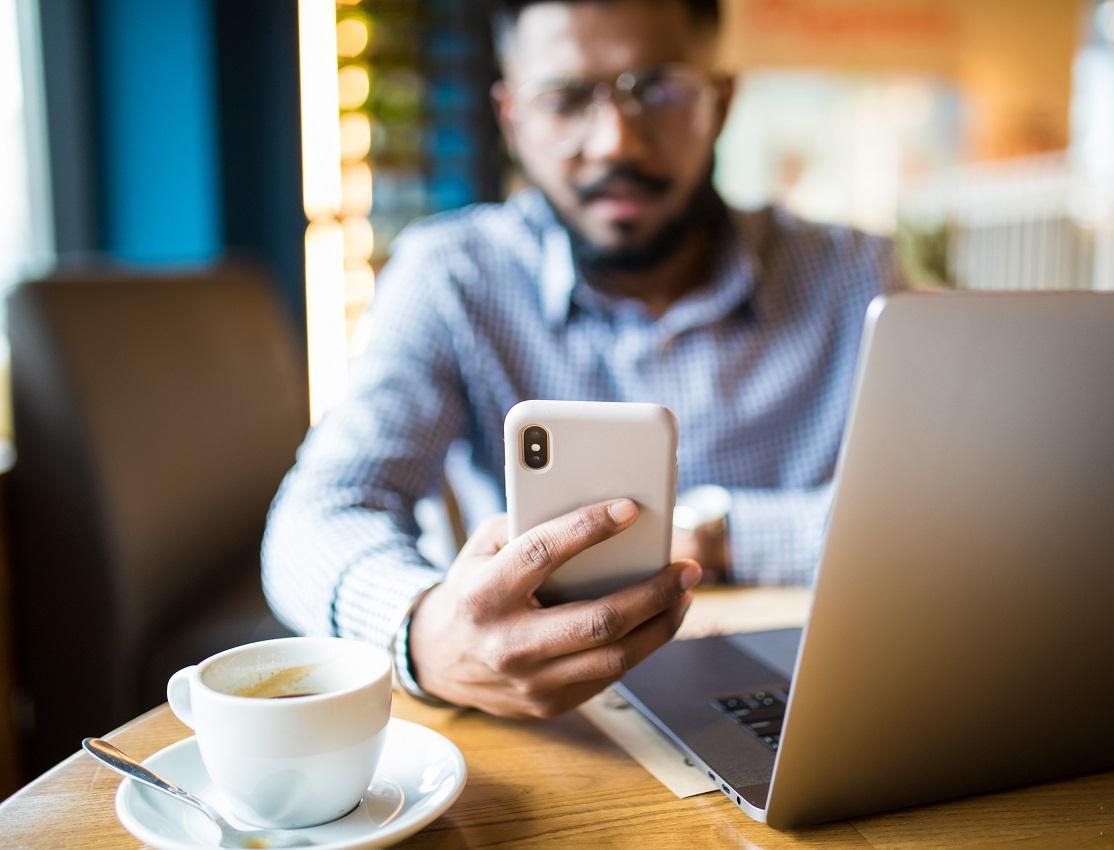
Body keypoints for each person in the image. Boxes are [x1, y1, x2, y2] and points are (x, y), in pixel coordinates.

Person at [262, 0, 903, 718]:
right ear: (513, 121)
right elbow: (318, 513)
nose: (614, 144)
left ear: (720, 104)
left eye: (658, 90)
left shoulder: (858, 276)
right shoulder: (451, 278)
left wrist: (709, 534)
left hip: (822, 691)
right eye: (565, 99)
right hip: (556, 720)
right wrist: (419, 632)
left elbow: (936, 511)